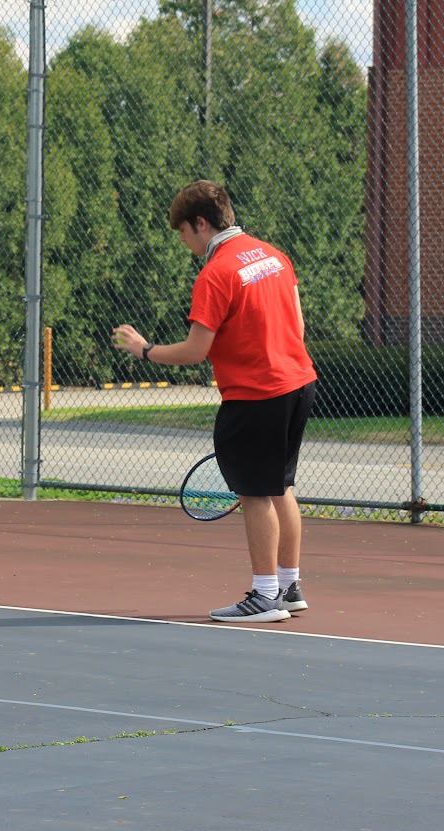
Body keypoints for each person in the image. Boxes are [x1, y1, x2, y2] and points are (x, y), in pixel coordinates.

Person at [112, 179, 317, 624]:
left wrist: (143, 349)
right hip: (299, 385)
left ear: (201, 224)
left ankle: (265, 596)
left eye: (183, 232)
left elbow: (193, 351)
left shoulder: (216, 273)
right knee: (281, 486)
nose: (183, 242)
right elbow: (297, 325)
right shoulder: (273, 256)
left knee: (256, 495)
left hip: (257, 395)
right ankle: (289, 585)